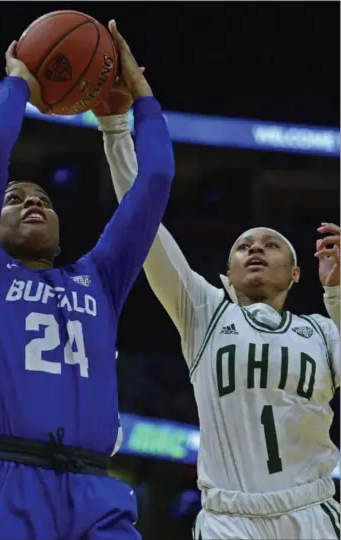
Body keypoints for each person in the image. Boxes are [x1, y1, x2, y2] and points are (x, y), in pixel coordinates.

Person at [95, 77, 340, 539]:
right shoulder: (206, 313)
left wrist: (338, 297)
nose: (255, 249)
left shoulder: (322, 331)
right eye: (244, 244)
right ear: (225, 276)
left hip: (311, 512)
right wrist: (114, 128)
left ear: (295, 274)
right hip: (230, 520)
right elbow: (141, 219)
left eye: (271, 244)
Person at [0, 21, 174, 540]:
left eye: (42, 198)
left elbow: (155, 179)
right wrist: (18, 81)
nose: (32, 202)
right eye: (13, 199)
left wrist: (134, 104)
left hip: (95, 489)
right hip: (1, 481)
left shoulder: (100, 277)